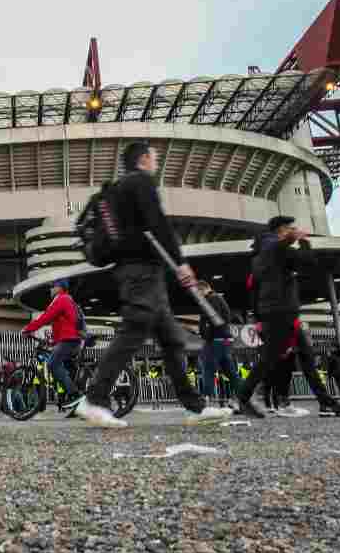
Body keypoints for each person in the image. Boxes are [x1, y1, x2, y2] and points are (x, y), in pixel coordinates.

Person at [80, 143, 232, 427]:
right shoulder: (140, 182)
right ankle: (95, 400)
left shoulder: (118, 190)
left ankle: (195, 407)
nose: (156, 162)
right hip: (141, 273)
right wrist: (181, 261)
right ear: (143, 159)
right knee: (133, 331)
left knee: (172, 340)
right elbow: (158, 223)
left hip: (144, 272)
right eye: (154, 157)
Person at [234, 217, 340, 418]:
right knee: (271, 358)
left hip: (279, 311)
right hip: (280, 310)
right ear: (281, 231)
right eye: (290, 228)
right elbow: (307, 261)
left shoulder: (265, 253)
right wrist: (302, 241)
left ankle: (326, 403)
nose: (294, 230)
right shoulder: (271, 248)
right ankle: (243, 397)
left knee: (303, 356)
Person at [21, 279, 85, 416]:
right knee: (68, 371)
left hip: (69, 340)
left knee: (52, 364)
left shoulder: (61, 299)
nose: (50, 289)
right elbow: (62, 323)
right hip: (70, 339)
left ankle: (74, 395)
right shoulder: (68, 300)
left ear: (60, 288)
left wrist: (28, 329)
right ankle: (79, 406)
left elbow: (45, 317)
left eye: (52, 287)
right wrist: (50, 342)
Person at [196, 280, 238, 408]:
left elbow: (214, 319)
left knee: (207, 368)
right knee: (231, 373)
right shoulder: (218, 299)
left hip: (215, 340)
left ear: (203, 289)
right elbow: (225, 318)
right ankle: (246, 399)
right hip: (223, 340)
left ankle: (206, 403)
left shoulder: (211, 299)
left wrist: (207, 335)